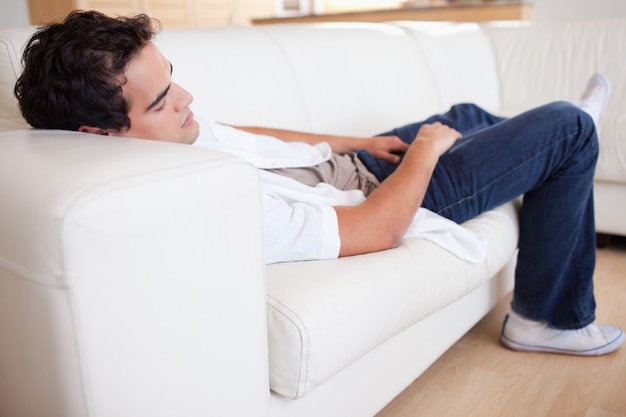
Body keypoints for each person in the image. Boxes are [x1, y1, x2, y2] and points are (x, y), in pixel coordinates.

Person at [14, 10, 624, 357]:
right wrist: (427, 155)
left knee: (464, 114)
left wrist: (353, 142)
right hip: (388, 199)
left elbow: (243, 132)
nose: (189, 100)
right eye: (165, 100)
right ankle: (549, 318)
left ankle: (546, 145)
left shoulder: (168, 133)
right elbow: (379, 229)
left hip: (356, 170)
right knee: (569, 130)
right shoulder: (211, 203)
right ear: (99, 134)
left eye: (175, 80)